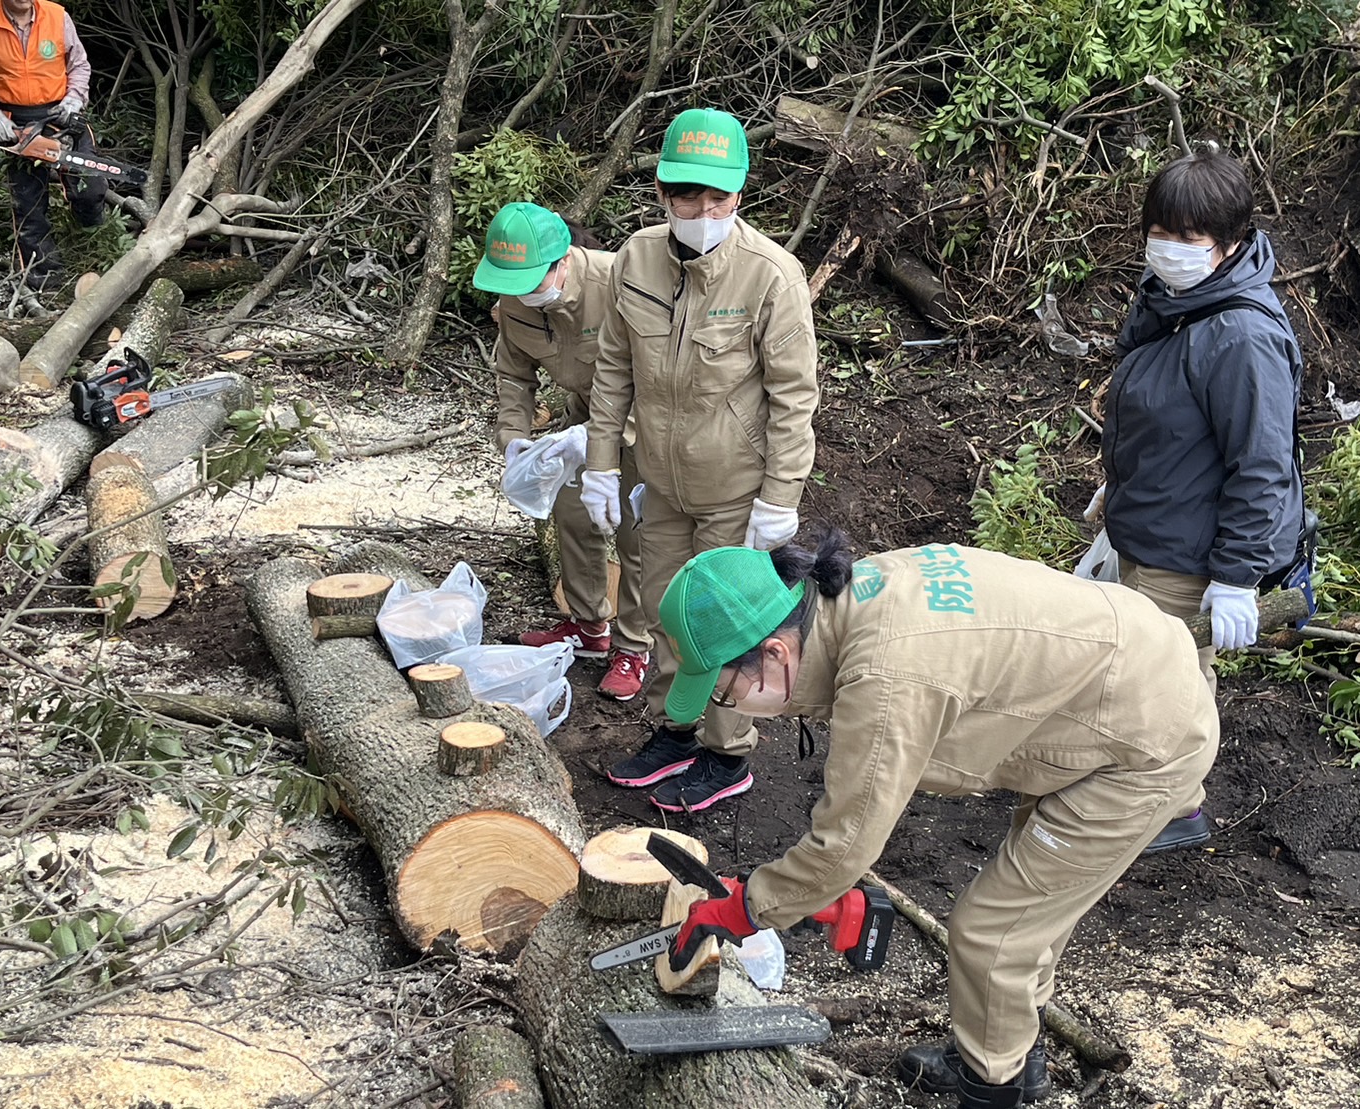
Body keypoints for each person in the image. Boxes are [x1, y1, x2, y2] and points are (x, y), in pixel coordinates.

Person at [657, 533, 1219, 1108]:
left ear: (775, 651)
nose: (727, 705)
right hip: (1098, 692)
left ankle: (991, 1091)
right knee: (1025, 920)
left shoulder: (884, 675)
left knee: (993, 931)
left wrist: (749, 907)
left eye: (725, 692)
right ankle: (1010, 1055)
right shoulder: (850, 603)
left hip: (1144, 741)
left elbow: (846, 843)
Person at [581, 106, 819, 812]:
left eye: (718, 196)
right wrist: (599, 461)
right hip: (661, 482)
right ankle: (674, 729)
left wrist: (780, 496)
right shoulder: (635, 258)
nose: (703, 209)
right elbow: (613, 370)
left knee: (721, 626)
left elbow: (793, 397)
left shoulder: (770, 276)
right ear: (662, 191)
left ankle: (727, 751)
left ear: (739, 193)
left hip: (735, 490)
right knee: (661, 609)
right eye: (689, 194)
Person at [1090, 146, 1305, 851]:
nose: (1169, 248)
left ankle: (1175, 806)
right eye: (1160, 231)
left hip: (1187, 552)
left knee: (1170, 680)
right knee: (1136, 672)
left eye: (1188, 237)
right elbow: (1169, 422)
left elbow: (1260, 464)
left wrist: (1237, 576)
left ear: (1231, 241)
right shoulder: (1176, 302)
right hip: (1148, 529)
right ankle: (1146, 793)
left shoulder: (1238, 333)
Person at [473, 201, 652, 701]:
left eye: (532, 280)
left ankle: (633, 647)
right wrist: (515, 441)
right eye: (512, 284)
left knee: (637, 532)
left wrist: (606, 437)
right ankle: (590, 626)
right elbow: (513, 374)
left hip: (649, 422)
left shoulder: (621, 281)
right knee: (573, 515)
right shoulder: (515, 298)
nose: (523, 294)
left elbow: (663, 376)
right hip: (583, 416)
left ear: (564, 261)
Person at [0, 0, 105, 290]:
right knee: (29, 207)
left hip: (61, 113)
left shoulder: (57, 16)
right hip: (15, 121)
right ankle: (44, 277)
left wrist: (74, 99)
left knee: (90, 186)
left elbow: (79, 64)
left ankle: (93, 246)